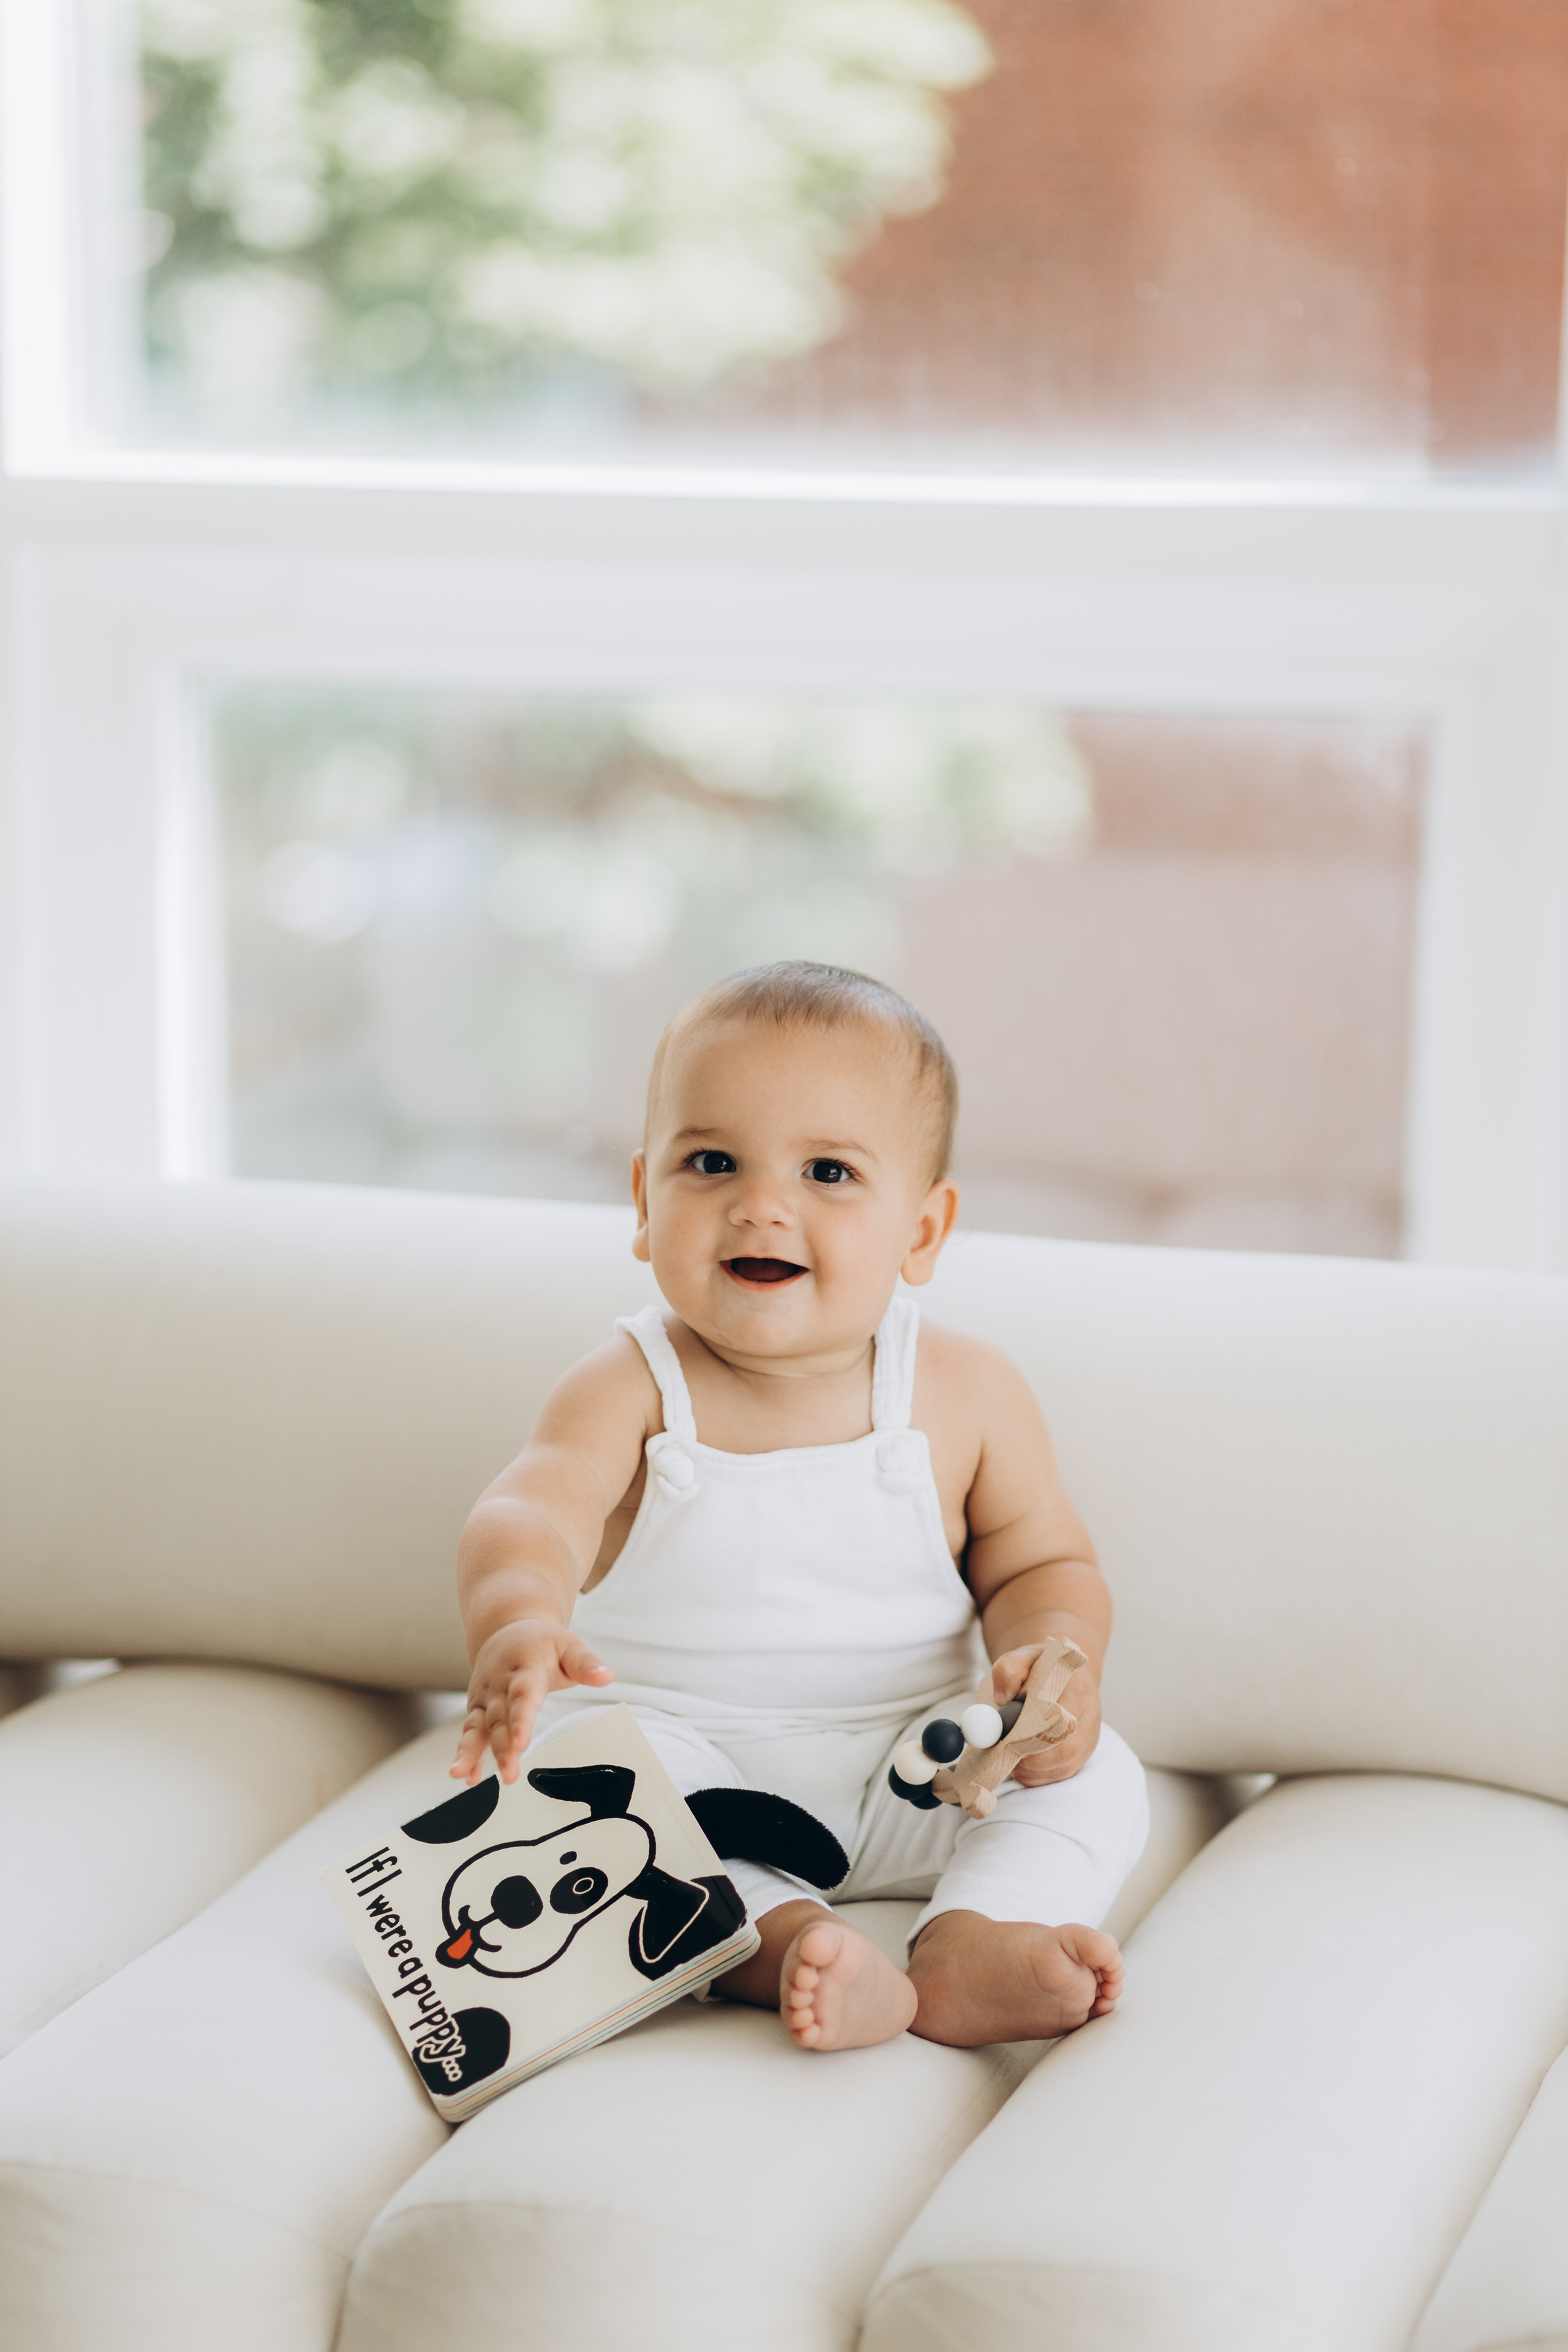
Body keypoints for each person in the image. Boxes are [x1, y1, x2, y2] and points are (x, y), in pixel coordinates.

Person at [451, 961, 1148, 2054]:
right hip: (691, 1764)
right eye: (713, 1161)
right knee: (577, 1794)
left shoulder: (967, 1393)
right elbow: (529, 1514)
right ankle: (778, 1943)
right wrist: (519, 1621)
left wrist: (1053, 1668)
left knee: (1101, 1776)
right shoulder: (628, 1386)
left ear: (922, 1230)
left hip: (914, 1771)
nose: (762, 1203)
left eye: (828, 1170)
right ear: (644, 1203)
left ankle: (976, 1936)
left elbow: (1042, 1566)